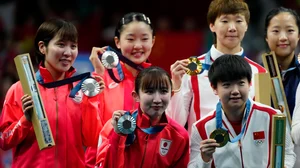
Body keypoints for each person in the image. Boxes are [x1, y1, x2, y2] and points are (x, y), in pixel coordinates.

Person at [0, 18, 104, 167]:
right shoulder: (20, 89)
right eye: (61, 44)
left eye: (73, 46)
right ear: (42, 47)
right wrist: (25, 121)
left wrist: (92, 100)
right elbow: (3, 140)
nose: (68, 52)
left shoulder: (80, 91)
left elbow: (92, 140)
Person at [166, 0, 266, 134]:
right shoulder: (190, 69)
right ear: (212, 25)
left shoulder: (260, 73)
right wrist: (176, 86)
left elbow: (264, 125)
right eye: (225, 21)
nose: (232, 28)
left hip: (246, 153)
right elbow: (175, 122)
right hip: (201, 152)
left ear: (247, 25)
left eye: (238, 21)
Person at [189, 54, 295, 167]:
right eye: (227, 85)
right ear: (214, 88)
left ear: (249, 84)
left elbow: (288, 154)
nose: (235, 91)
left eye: (241, 83)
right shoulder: (201, 128)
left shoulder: (273, 117)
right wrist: (204, 159)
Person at [85, 12, 155, 167]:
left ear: (153, 41)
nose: (138, 45)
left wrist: (176, 87)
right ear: (117, 42)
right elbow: (89, 132)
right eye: (130, 39)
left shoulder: (158, 82)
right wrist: (97, 75)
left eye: (144, 39)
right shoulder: (103, 77)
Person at [96, 66, 189, 168]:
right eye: (149, 92)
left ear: (171, 94)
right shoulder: (114, 126)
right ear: (136, 96)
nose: (157, 99)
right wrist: (117, 135)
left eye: (163, 91)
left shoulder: (179, 136)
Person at [264, 7, 300, 116]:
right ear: (266, 36)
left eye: (290, 31)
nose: (283, 37)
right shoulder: (255, 74)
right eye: (276, 31)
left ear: (298, 36)